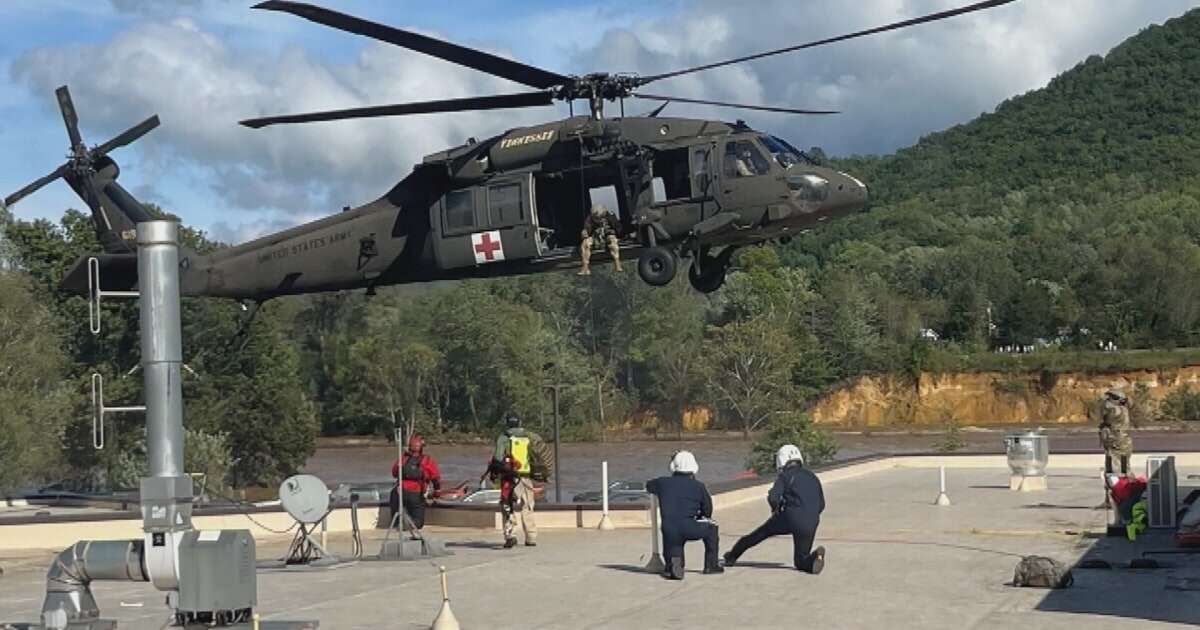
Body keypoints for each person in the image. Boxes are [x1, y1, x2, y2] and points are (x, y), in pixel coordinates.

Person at [723, 444, 826, 574]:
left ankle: (731, 556)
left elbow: (773, 497)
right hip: (812, 521)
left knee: (760, 533)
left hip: (791, 517)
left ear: (781, 460)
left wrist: (775, 510)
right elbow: (822, 504)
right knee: (800, 560)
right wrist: (809, 514)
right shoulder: (812, 476)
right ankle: (815, 557)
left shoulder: (785, 476)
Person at [646, 450, 722, 579]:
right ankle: (711, 565)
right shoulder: (699, 486)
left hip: (669, 528)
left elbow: (649, 486)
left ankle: (673, 566)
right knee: (712, 528)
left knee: (674, 543)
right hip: (690, 526)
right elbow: (708, 509)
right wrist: (701, 517)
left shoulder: (662, 483)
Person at [482, 413, 553, 548]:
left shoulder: (503, 437)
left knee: (507, 506)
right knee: (528, 507)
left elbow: (497, 457)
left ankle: (510, 535)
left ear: (507, 423)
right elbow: (537, 456)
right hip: (525, 477)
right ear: (520, 422)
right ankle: (531, 537)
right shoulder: (529, 436)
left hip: (509, 478)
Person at [390, 434, 441, 533]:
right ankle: (408, 524)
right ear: (421, 448)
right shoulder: (427, 460)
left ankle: (398, 523)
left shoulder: (403, 459)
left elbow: (394, 473)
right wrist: (437, 493)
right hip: (416, 494)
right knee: (418, 522)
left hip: (398, 493)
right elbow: (436, 479)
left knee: (396, 514)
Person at [578, 203, 622, 275]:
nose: (599, 220)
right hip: (596, 237)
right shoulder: (590, 218)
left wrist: (618, 235)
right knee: (585, 244)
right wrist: (584, 233)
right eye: (597, 218)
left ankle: (617, 264)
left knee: (613, 241)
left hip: (607, 236)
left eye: (601, 218)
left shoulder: (610, 216)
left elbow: (618, 228)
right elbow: (586, 229)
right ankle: (585, 268)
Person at [1099, 388, 1133, 476]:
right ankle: (1128, 481)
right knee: (1125, 465)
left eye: (1110, 398)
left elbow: (1107, 421)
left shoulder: (1114, 410)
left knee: (1114, 466)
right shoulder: (1124, 409)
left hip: (1116, 439)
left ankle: (1117, 484)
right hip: (1125, 439)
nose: (1108, 400)